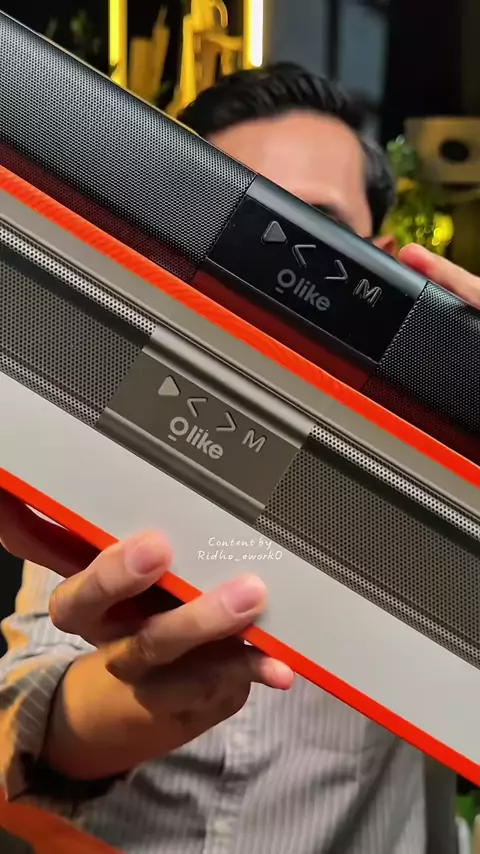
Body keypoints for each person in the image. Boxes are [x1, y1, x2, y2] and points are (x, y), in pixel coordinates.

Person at [0, 63, 479, 854]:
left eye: (319, 237)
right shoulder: (113, 435)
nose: (275, 279)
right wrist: (120, 704)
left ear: (391, 262)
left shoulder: (434, 486)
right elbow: (22, 713)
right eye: (245, 224)